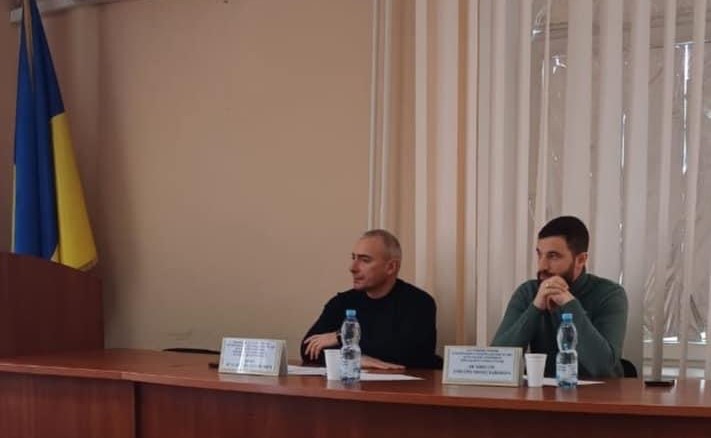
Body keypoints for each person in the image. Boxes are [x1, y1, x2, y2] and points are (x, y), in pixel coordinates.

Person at [491, 216, 628, 378]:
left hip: (598, 393)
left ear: (580, 260)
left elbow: (602, 367)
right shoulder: (528, 292)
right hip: (542, 391)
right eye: (540, 255)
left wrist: (569, 304)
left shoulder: (610, 294)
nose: (542, 266)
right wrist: (535, 308)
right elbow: (496, 362)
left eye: (553, 256)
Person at [301, 229, 441, 369]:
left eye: (365, 260)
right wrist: (353, 359)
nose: (352, 268)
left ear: (391, 267)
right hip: (354, 381)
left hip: (407, 382)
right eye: (353, 258)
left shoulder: (419, 303)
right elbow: (308, 348)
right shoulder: (342, 302)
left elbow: (405, 352)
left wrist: (341, 337)